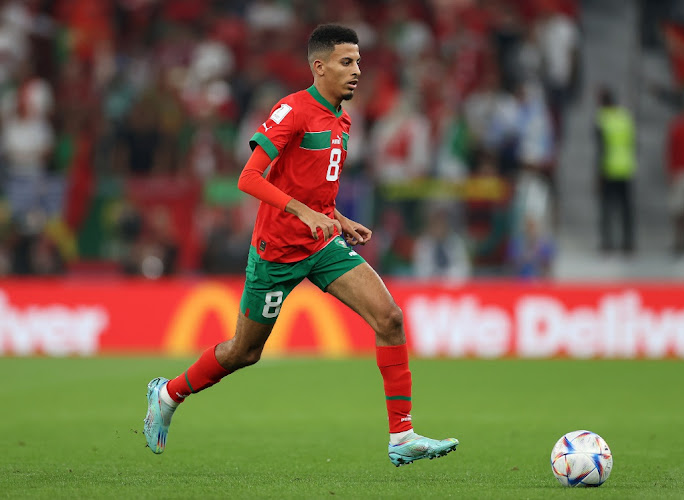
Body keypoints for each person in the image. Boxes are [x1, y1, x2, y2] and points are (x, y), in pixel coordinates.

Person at [143, 24, 458, 467]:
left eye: (359, 62)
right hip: (277, 250)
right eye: (347, 62)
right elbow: (248, 178)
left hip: (322, 244)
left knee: (389, 318)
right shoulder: (291, 110)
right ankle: (169, 394)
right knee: (244, 352)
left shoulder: (343, 119)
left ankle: (401, 435)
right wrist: (303, 213)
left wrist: (338, 219)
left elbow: (316, 189)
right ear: (319, 66)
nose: (357, 71)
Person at [594, 86, 636, 254]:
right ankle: (628, 243)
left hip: (608, 168)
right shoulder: (625, 117)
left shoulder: (602, 118)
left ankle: (607, 242)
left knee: (607, 208)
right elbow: (632, 143)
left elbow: (600, 149)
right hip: (626, 167)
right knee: (626, 209)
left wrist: (598, 173)